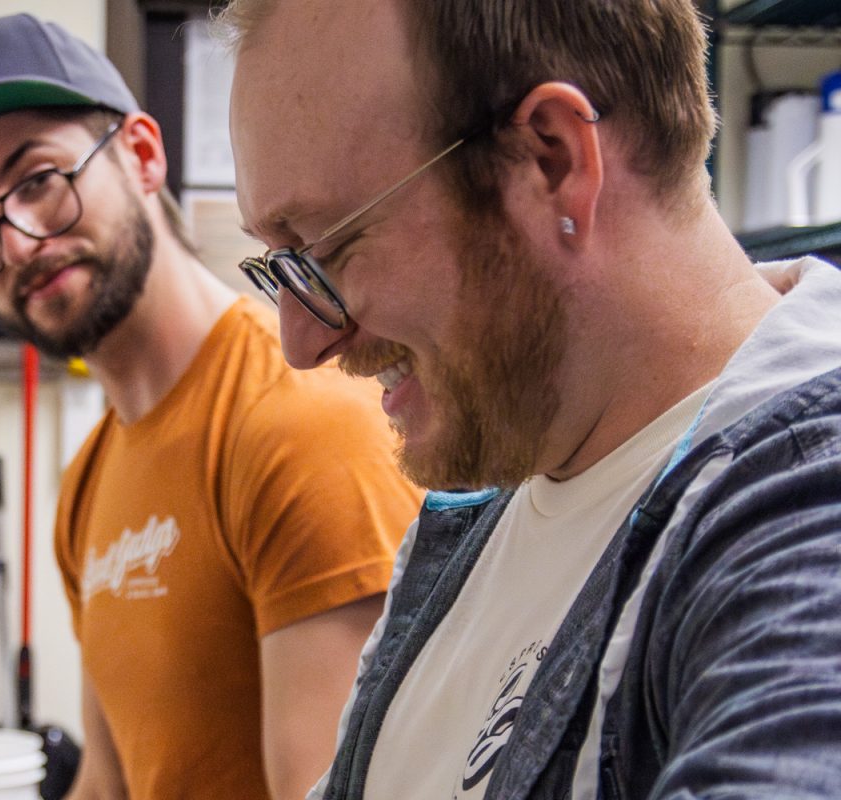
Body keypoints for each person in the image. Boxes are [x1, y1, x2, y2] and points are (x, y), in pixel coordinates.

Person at [221, 0, 841, 797]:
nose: (302, 344)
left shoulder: (805, 521)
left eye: (329, 249)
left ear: (551, 159)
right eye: (280, 268)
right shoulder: (487, 503)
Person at [0, 14, 422, 800]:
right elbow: (111, 780)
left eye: (38, 183)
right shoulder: (90, 480)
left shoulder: (299, 425)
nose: (17, 243)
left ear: (143, 155)